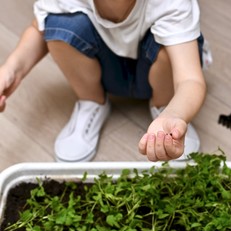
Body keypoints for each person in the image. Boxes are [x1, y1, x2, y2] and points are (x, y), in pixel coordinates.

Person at [0, 0, 209, 162]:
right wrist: (10, 70)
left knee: (169, 52)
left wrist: (177, 114)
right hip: (106, 69)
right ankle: (91, 101)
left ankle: (165, 107)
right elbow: (39, 28)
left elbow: (190, 79)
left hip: (156, 71)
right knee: (57, 27)